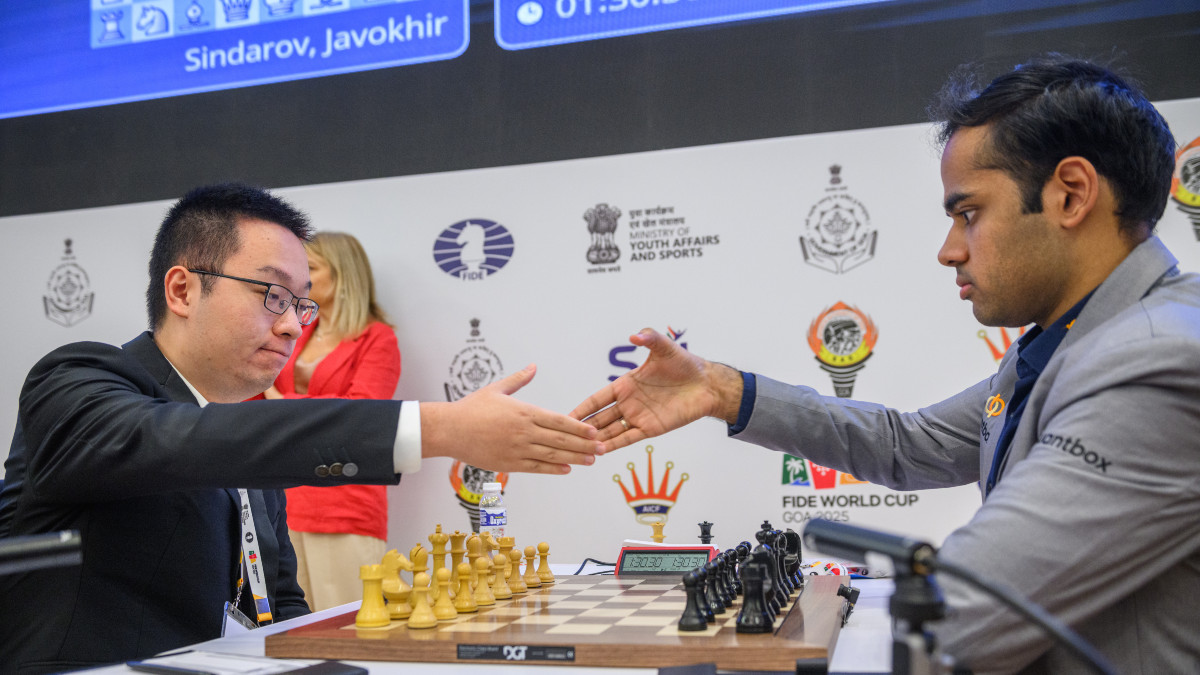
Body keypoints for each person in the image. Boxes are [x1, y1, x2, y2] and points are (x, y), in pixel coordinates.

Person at [572, 57, 1200, 674]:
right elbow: (910, 445)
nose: (948, 251)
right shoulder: (1067, 342)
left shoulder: (1158, 362)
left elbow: (957, 615)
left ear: (1071, 194)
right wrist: (723, 390)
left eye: (969, 214)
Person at [0, 183, 600, 674]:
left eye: (302, 304)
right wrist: (436, 428)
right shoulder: (77, 381)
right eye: (272, 295)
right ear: (182, 290)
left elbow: (278, 601)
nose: (292, 326)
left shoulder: (251, 440)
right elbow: (180, 442)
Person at [262, 231, 400, 611]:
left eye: (311, 268)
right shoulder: (296, 330)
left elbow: (363, 416)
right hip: (287, 498)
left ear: (342, 275)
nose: (300, 277)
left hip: (346, 502)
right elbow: (257, 396)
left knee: (349, 626)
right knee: (294, 625)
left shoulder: (377, 338)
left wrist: (282, 404)